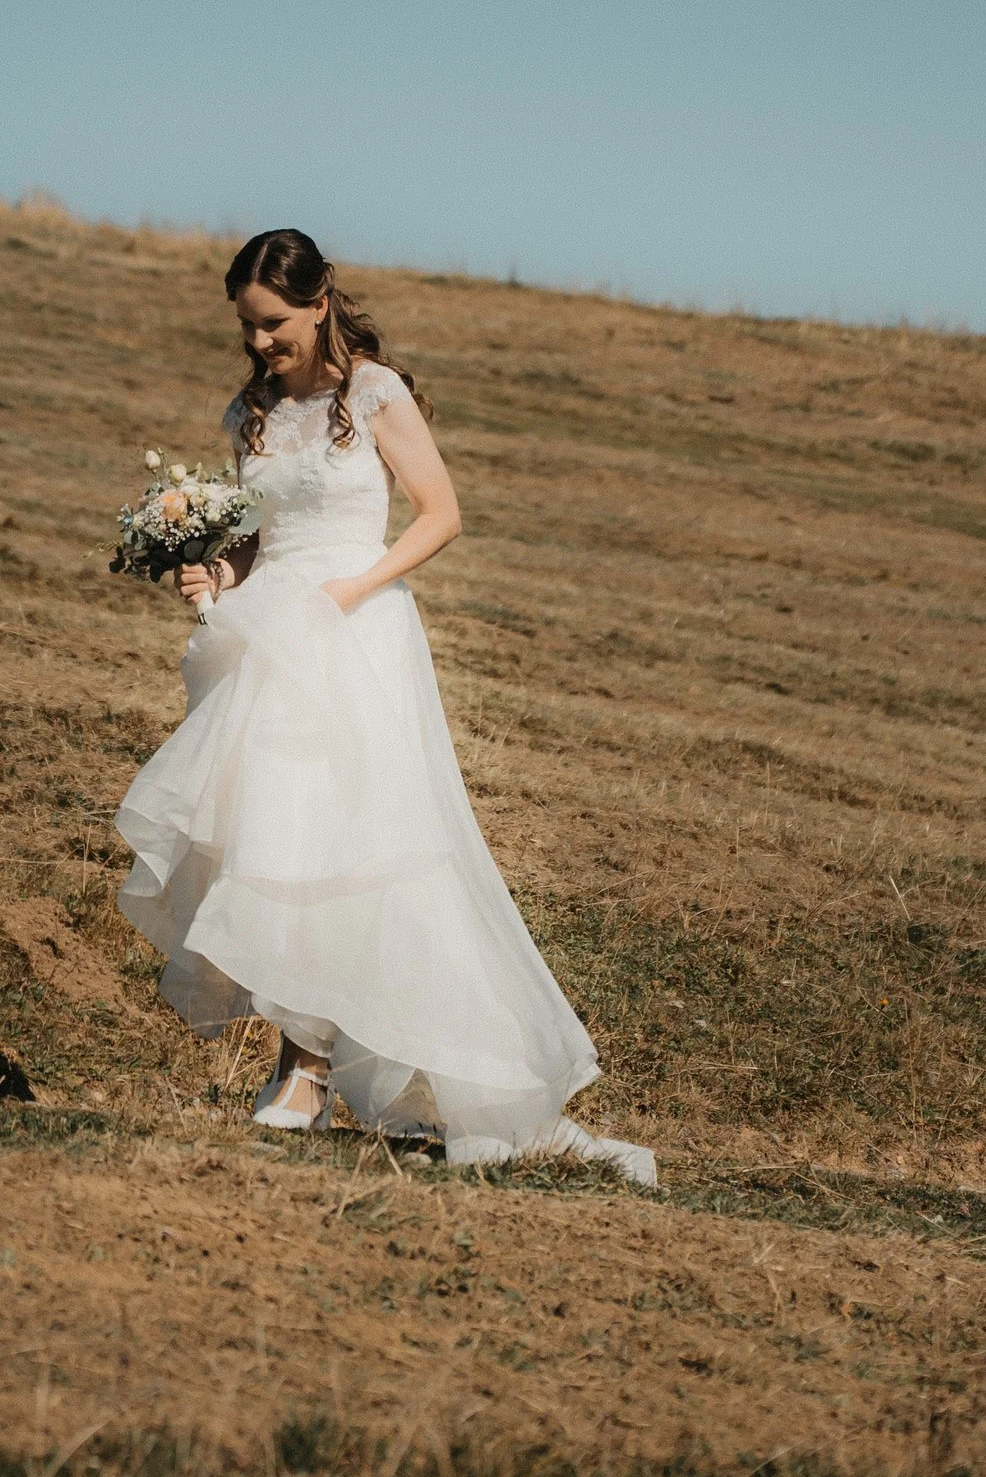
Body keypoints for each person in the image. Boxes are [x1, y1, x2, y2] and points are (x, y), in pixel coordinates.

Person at [112, 229, 654, 1185]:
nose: (259, 344)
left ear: (319, 302)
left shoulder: (376, 394)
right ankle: (303, 1065)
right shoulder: (249, 410)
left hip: (355, 632)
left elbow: (441, 515)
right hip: (272, 633)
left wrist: (353, 593)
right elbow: (257, 538)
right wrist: (215, 577)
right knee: (276, 838)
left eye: (272, 324)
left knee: (358, 845)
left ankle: (316, 1071)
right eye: (246, 327)